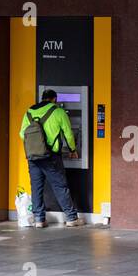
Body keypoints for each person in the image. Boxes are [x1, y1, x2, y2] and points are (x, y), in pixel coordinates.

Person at [19, 89, 82, 228]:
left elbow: (22, 134)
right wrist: (72, 150)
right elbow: (68, 134)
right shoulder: (59, 112)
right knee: (60, 186)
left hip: (33, 156)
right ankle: (71, 218)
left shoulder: (29, 112)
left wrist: (37, 145)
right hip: (51, 156)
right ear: (55, 99)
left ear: (42, 98)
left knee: (36, 188)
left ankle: (39, 220)